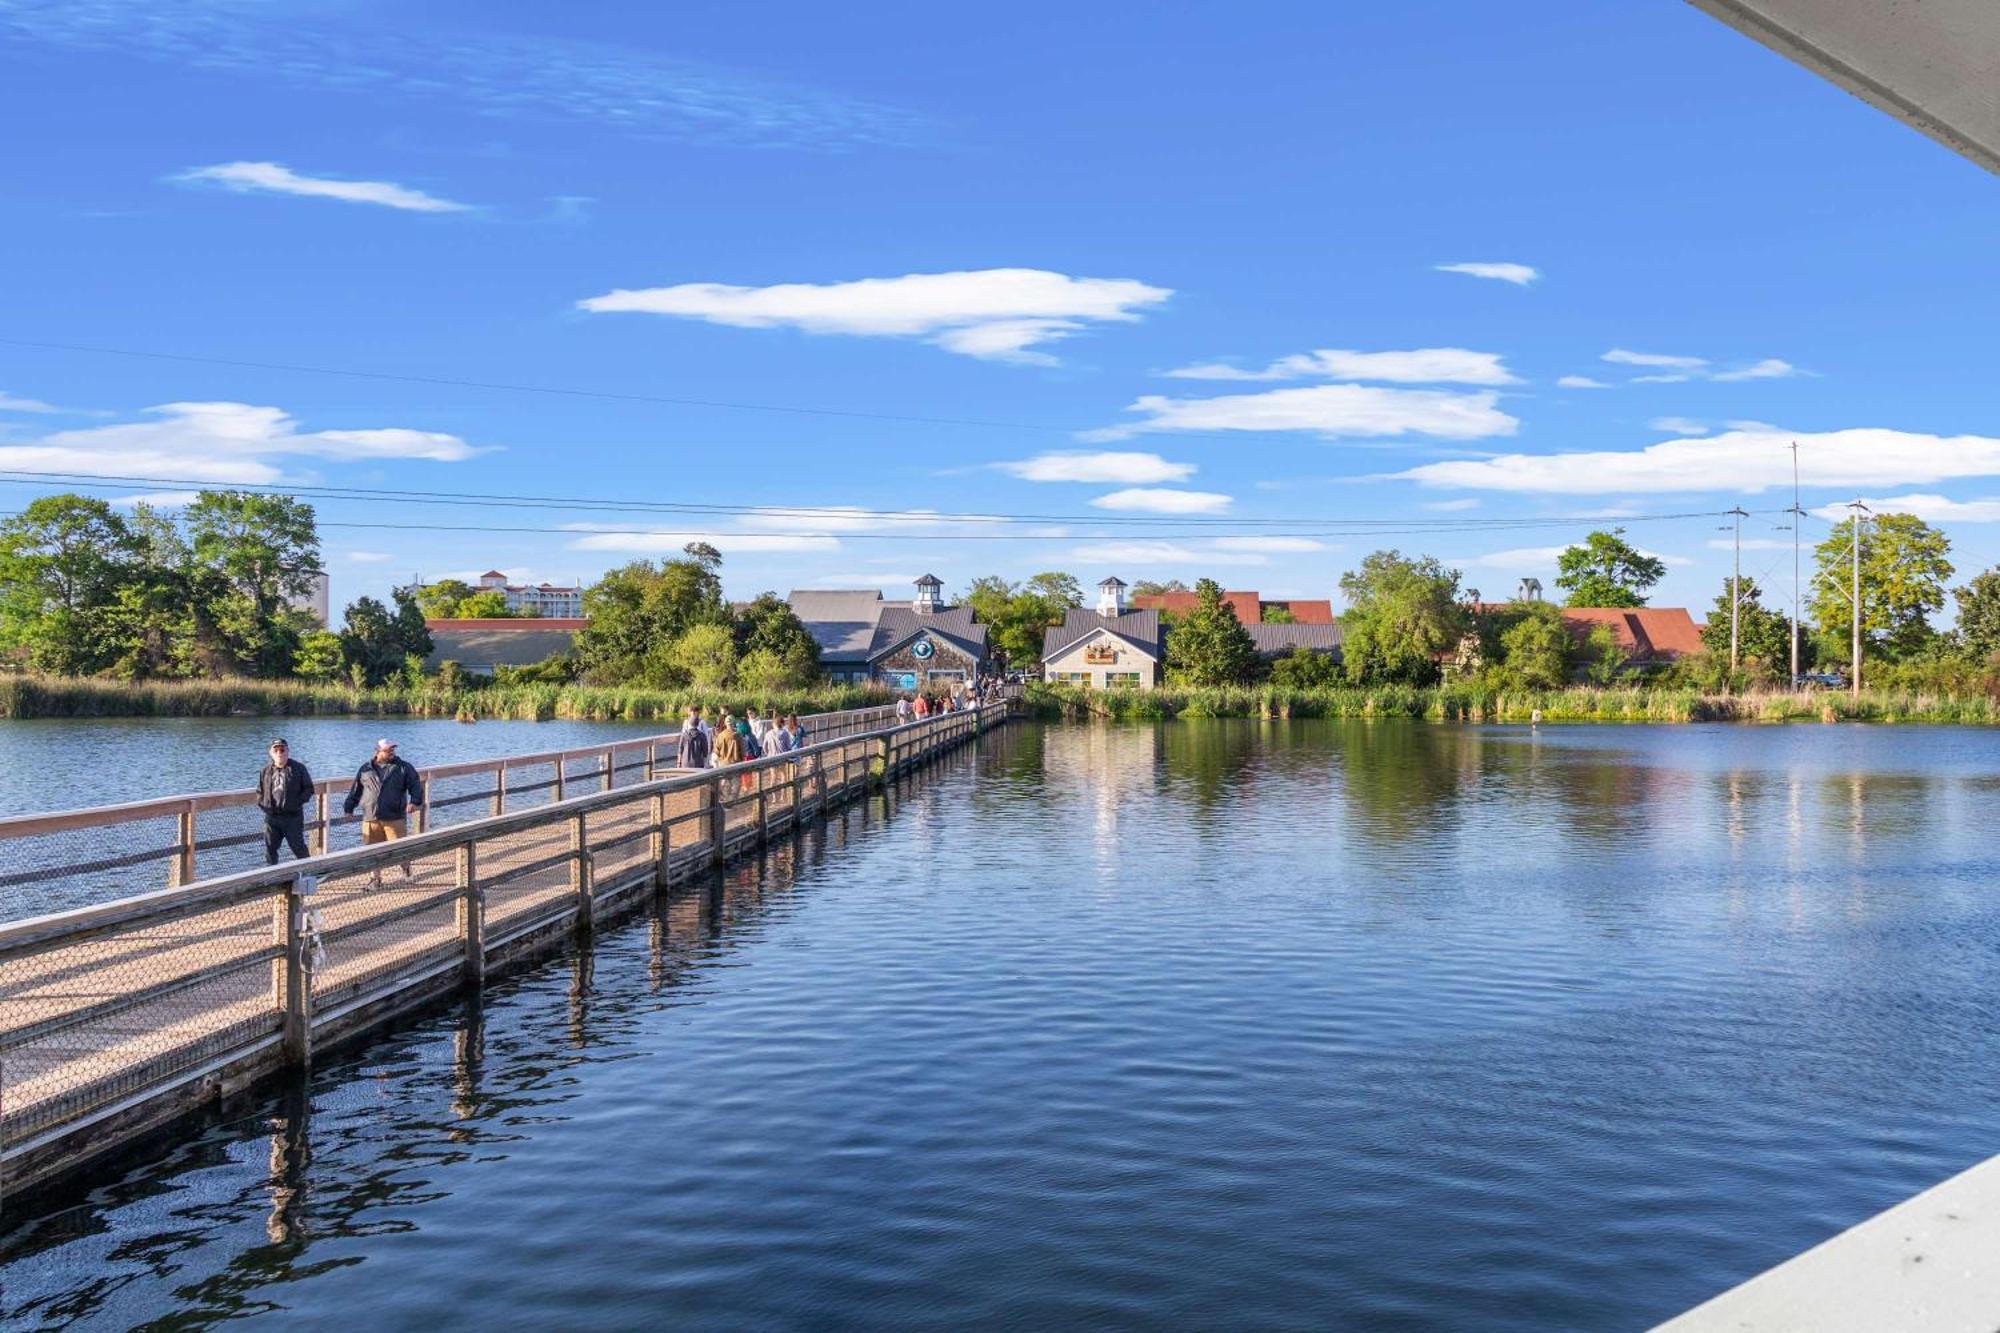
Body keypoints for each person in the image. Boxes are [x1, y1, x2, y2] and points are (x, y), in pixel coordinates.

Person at [343, 738, 424, 886]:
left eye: (393, 749)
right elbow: (356, 790)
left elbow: (415, 785)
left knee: (400, 849)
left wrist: (414, 802)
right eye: (388, 750)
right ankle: (376, 879)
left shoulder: (403, 767)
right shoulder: (365, 769)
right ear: (378, 751)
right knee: (372, 851)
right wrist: (349, 808)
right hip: (370, 816)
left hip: (394, 816)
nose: (391, 752)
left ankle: (406, 870)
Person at [257, 739, 314, 866]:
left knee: (298, 847)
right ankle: (273, 878)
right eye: (275, 750)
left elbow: (309, 789)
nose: (279, 753)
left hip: (292, 818)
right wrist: (265, 807)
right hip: (272, 818)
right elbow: (259, 791)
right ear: (271, 753)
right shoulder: (265, 771)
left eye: (282, 750)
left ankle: (309, 873)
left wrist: (295, 803)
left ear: (288, 751)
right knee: (270, 849)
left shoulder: (298, 768)